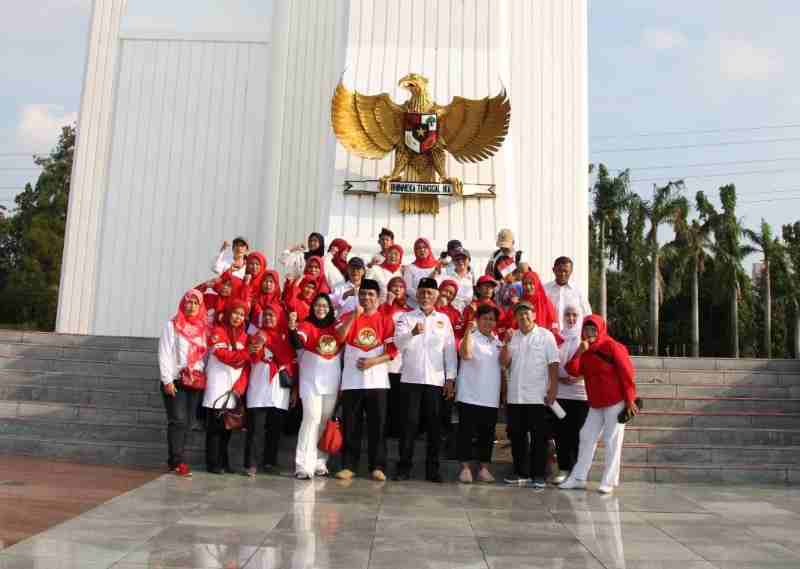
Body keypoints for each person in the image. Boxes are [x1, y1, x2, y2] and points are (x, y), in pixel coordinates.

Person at [560, 315, 638, 494]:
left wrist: (630, 399)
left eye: (593, 329)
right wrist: (579, 352)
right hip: (596, 403)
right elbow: (572, 370)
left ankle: (609, 481)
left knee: (612, 440)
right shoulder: (585, 350)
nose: (590, 333)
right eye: (586, 330)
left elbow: (627, 373)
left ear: (601, 329)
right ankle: (579, 477)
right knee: (586, 435)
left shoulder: (612, 346)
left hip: (615, 401)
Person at [393, 278, 458, 483]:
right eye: (422, 292)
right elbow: (398, 343)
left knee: (434, 427)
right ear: (417, 294)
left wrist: (450, 378)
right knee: (408, 425)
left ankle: (433, 469)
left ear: (437, 295)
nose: (426, 296)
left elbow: (449, 350)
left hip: (435, 380)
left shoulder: (444, 320)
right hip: (411, 379)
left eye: (430, 292)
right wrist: (412, 333)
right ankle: (404, 467)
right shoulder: (406, 317)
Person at [334, 279, 398, 481]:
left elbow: (393, 351)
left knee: (377, 426)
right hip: (352, 380)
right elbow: (339, 339)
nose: (366, 298)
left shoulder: (386, 320)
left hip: (377, 381)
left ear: (378, 298)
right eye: (363, 294)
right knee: (351, 424)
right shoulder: (348, 316)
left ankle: (377, 466)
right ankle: (348, 465)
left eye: (371, 294)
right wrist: (354, 315)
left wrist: (373, 361)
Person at [499, 301, 560, 488]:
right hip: (515, 396)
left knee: (539, 438)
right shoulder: (513, 337)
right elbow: (504, 363)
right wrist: (506, 343)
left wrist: (553, 389)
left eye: (526, 313)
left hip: (537, 396)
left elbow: (554, 364)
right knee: (517, 436)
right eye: (519, 314)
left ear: (534, 315)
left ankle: (538, 475)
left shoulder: (545, 336)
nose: (523, 316)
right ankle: (521, 473)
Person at [289, 293, 343, 479]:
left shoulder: (336, 327)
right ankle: (303, 465)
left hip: (332, 382)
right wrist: (291, 329)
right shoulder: (306, 325)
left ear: (330, 309)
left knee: (324, 420)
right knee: (311, 419)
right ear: (313, 308)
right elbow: (297, 341)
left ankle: (320, 461)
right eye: (318, 305)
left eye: (325, 306)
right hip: (310, 382)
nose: (321, 309)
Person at [158, 289, 208, 477]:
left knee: (187, 423)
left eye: (196, 303)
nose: (192, 306)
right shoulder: (172, 325)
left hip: (194, 381)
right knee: (178, 421)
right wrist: (167, 380)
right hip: (176, 380)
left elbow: (204, 356)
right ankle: (177, 462)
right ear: (182, 303)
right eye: (189, 301)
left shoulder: (203, 328)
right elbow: (164, 353)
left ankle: (175, 460)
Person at [243, 306, 297, 477]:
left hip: (279, 390)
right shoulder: (255, 335)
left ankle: (269, 462)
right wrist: (259, 344)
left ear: (279, 317)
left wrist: (295, 390)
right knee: (255, 429)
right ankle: (250, 463)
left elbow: (292, 362)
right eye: (265, 315)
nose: (268, 318)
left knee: (275, 429)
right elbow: (252, 357)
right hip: (258, 386)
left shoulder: (286, 337)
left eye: (272, 315)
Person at [455, 304, 503, 484]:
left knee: (487, 434)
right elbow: (466, 354)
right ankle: (465, 468)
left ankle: (484, 468)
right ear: (478, 320)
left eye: (492, 319)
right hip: (469, 394)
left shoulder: (498, 342)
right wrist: (468, 331)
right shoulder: (470, 337)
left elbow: (503, 366)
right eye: (485, 318)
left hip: (490, 397)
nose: (489, 322)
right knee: (466, 432)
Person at [203, 299, 251, 474]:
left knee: (227, 428)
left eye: (241, 314)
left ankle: (224, 461)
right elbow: (223, 355)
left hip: (233, 388)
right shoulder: (217, 331)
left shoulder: (245, 337)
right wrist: (245, 354)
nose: (238, 317)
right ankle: (213, 462)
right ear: (229, 313)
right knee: (215, 428)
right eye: (235, 313)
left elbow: (247, 366)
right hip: (217, 386)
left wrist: (240, 387)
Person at [552, 305, 589, 483]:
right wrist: (557, 379)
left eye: (575, 315)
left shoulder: (586, 339)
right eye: (568, 315)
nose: (571, 319)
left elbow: (591, 365)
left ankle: (578, 471)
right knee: (561, 433)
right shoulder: (557, 337)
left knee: (578, 433)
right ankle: (564, 468)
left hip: (580, 394)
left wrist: (577, 378)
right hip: (560, 393)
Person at [380, 276, 413, 438]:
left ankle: (397, 429)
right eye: (394, 286)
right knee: (386, 396)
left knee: (400, 397)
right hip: (385, 358)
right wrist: (388, 304)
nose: (397, 289)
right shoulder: (383, 307)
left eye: (400, 286)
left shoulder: (409, 311)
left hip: (402, 359)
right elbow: (380, 324)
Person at [544, 256, 593, 332]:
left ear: (571, 271)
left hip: (573, 339)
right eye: (559, 270)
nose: (563, 274)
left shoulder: (578, 291)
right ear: (553, 270)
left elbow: (588, 315)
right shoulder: (545, 290)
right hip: (550, 337)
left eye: (566, 271)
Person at [404, 238, 439, 309]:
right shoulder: (410, 268)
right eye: (418, 248)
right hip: (414, 306)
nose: (422, 250)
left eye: (425, 247)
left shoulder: (437, 267)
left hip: (434, 306)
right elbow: (408, 288)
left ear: (429, 249)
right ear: (415, 251)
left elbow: (441, 286)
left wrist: (431, 300)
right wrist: (422, 299)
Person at [444, 247, 475, 312]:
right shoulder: (447, 276)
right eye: (457, 259)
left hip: (466, 314)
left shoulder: (472, 278)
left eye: (464, 258)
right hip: (450, 312)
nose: (460, 261)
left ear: (469, 260)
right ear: (453, 261)